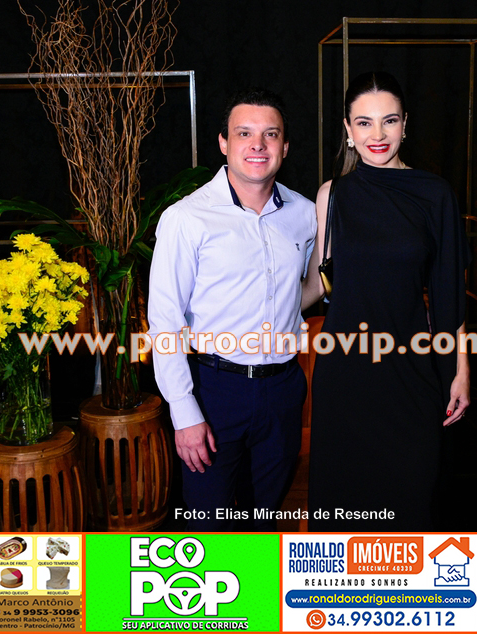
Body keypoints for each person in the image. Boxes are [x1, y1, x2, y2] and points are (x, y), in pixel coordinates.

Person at [303, 71, 471, 532]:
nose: (377, 135)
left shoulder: (434, 194)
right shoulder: (332, 195)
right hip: (345, 374)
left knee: (413, 498)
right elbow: (318, 283)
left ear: (405, 124)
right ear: (348, 129)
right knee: (345, 505)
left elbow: (449, 292)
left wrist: (461, 369)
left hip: (412, 369)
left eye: (389, 121)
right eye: (364, 123)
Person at [147, 88, 316, 531]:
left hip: (283, 389)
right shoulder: (187, 218)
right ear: (223, 143)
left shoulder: (305, 214)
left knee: (264, 520)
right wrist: (184, 411)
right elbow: (165, 322)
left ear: (284, 146)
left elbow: (301, 290)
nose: (258, 145)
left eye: (270, 134)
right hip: (214, 390)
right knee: (210, 527)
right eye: (244, 133)